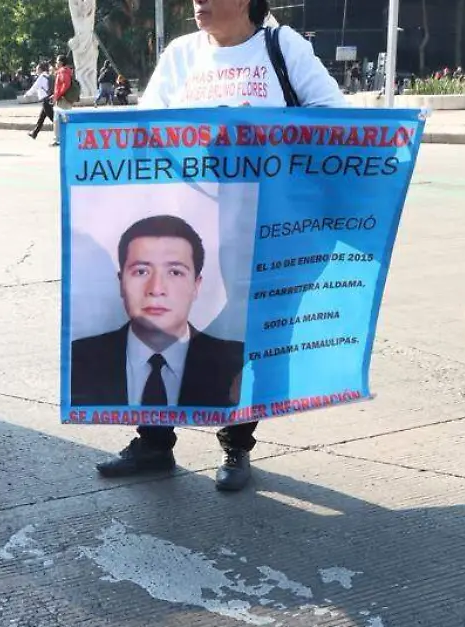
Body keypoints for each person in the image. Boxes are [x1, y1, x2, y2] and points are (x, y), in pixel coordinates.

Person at [95, 0, 345, 491]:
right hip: (184, 223)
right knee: (162, 324)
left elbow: (336, 123)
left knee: (242, 337)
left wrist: (261, 132)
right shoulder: (181, 54)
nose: (197, 1)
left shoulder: (282, 46)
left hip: (262, 226)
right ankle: (153, 441)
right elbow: (147, 133)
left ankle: (236, 444)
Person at [70, 216, 244, 408]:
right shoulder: (79, 359)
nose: (156, 288)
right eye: (141, 271)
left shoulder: (234, 362)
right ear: (121, 283)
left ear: (196, 285)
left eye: (175, 272)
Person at [50, 55, 76, 147]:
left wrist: (58, 95)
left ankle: (58, 139)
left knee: (58, 119)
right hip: (65, 98)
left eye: (57, 62)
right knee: (64, 118)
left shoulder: (62, 71)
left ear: (60, 62)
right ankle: (67, 138)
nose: (56, 64)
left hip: (62, 99)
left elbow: (66, 84)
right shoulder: (67, 71)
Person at [26, 62, 53, 140]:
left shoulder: (41, 77)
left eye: (37, 69)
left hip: (45, 100)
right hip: (48, 99)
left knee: (53, 118)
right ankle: (34, 133)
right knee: (41, 118)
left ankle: (63, 130)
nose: (36, 71)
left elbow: (34, 87)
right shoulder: (48, 75)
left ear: (40, 69)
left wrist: (27, 94)